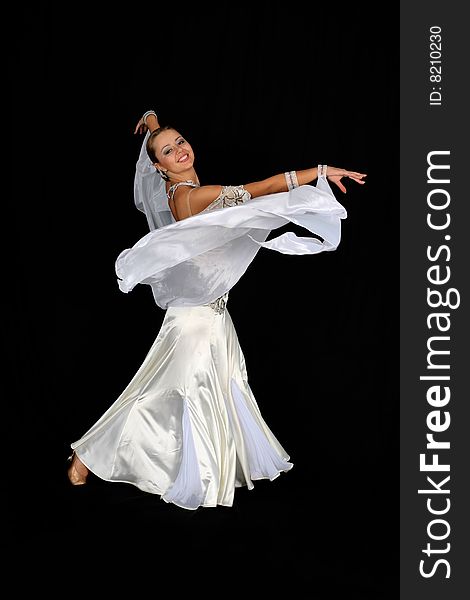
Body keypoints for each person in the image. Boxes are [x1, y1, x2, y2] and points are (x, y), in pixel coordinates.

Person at [67, 109, 366, 510]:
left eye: (181, 142)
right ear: (158, 166)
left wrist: (153, 122)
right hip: (194, 322)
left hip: (211, 314)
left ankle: (204, 467)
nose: (180, 151)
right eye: (168, 152)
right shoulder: (192, 196)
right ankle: (89, 456)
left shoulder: (174, 186)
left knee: (218, 387)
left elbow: (159, 140)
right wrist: (322, 171)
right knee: (161, 393)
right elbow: (262, 188)